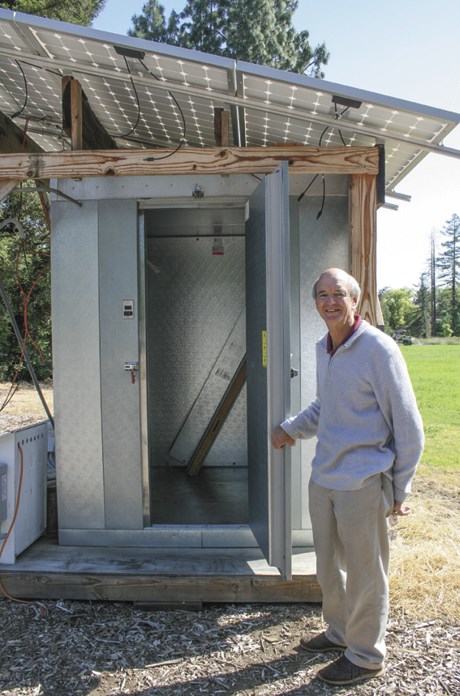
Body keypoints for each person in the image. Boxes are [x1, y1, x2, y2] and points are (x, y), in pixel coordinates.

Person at [272, 267, 424, 686]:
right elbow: (326, 406)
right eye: (322, 294)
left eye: (337, 293)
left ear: (354, 300)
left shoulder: (379, 349)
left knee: (366, 573)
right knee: (328, 567)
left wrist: (399, 487)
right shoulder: (324, 348)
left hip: (362, 483)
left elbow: (410, 429)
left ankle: (365, 655)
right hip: (324, 478)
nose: (329, 302)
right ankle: (340, 634)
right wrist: (291, 428)